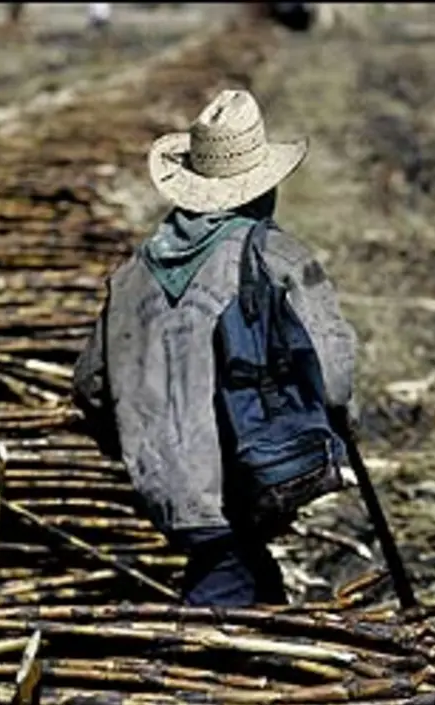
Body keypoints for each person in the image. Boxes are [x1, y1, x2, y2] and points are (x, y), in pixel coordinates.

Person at [73, 89, 357, 607]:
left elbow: (90, 387)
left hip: (166, 490)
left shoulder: (131, 276)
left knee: (241, 573)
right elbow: (335, 377)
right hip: (249, 483)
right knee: (220, 595)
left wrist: (149, 444)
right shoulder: (275, 255)